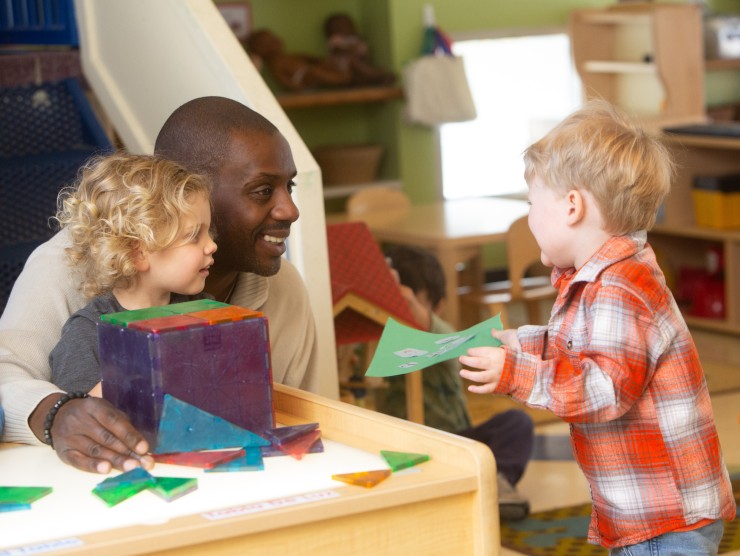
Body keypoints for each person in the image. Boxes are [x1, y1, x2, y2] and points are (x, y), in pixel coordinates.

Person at [459, 100, 736, 552]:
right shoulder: (603, 278)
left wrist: (516, 374)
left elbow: (604, 387)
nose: (529, 218)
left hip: (666, 521)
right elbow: (581, 346)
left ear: (571, 207)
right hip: (644, 512)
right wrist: (522, 345)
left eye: (532, 204)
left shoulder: (621, 288)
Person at [0, 97, 319, 474]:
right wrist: (57, 413)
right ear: (183, 195)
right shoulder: (64, 266)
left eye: (290, 186)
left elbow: (304, 412)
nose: (290, 210)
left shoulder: (283, 286)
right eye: (262, 190)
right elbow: (7, 373)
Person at [376, 244, 533, 520]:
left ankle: (497, 484)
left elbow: (425, 328)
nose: (405, 315)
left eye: (413, 305)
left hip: (456, 442)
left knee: (517, 423)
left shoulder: (444, 337)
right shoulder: (380, 343)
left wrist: (404, 298)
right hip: (406, 449)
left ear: (439, 308)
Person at [49, 152, 217, 398]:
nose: (212, 245)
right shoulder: (88, 333)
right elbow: (75, 417)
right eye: (194, 236)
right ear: (137, 253)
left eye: (209, 232)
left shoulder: (204, 311)